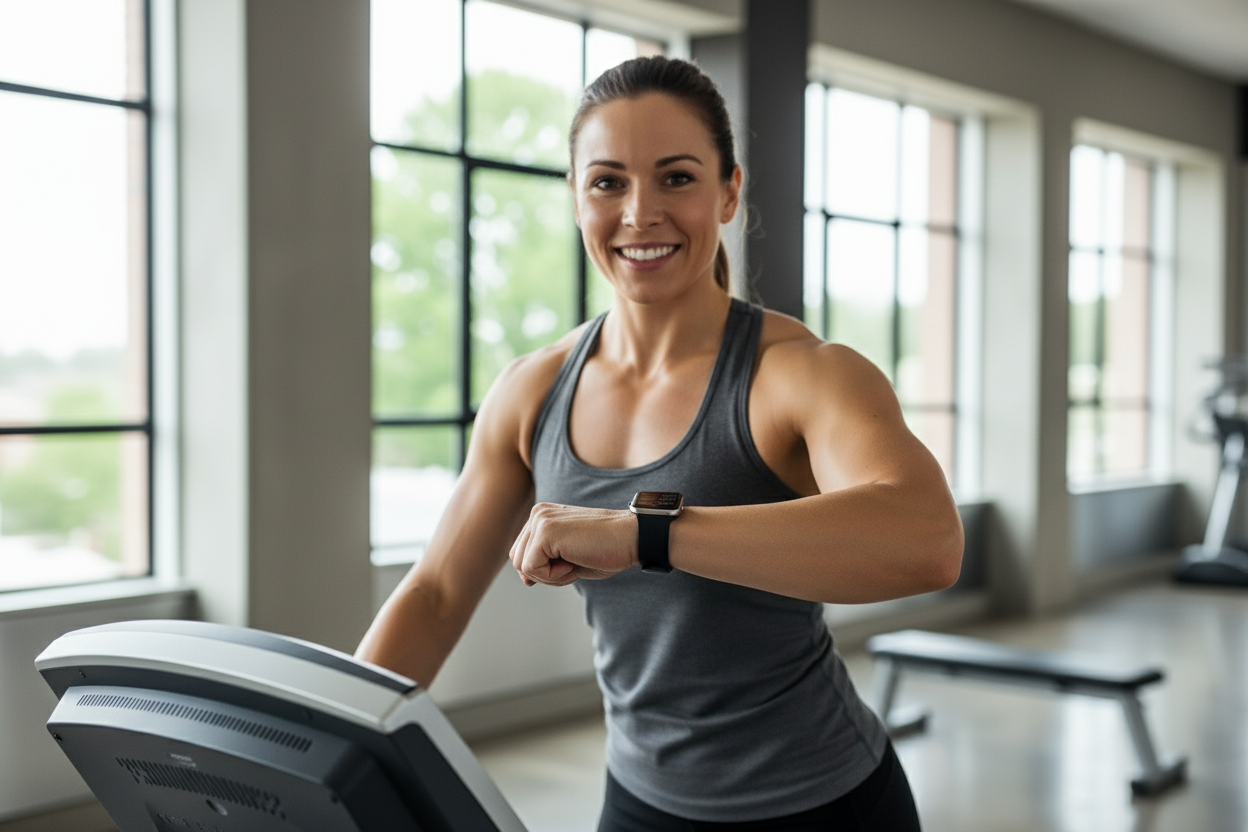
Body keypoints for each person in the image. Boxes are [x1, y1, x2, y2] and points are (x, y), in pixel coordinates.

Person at [357, 55, 963, 831]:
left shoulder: (798, 375)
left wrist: (645, 536)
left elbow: (927, 539)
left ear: (729, 193)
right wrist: (330, 740)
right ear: (577, 200)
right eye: (607, 181)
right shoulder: (532, 391)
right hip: (643, 805)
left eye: (676, 177)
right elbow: (436, 596)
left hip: (827, 803)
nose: (640, 213)